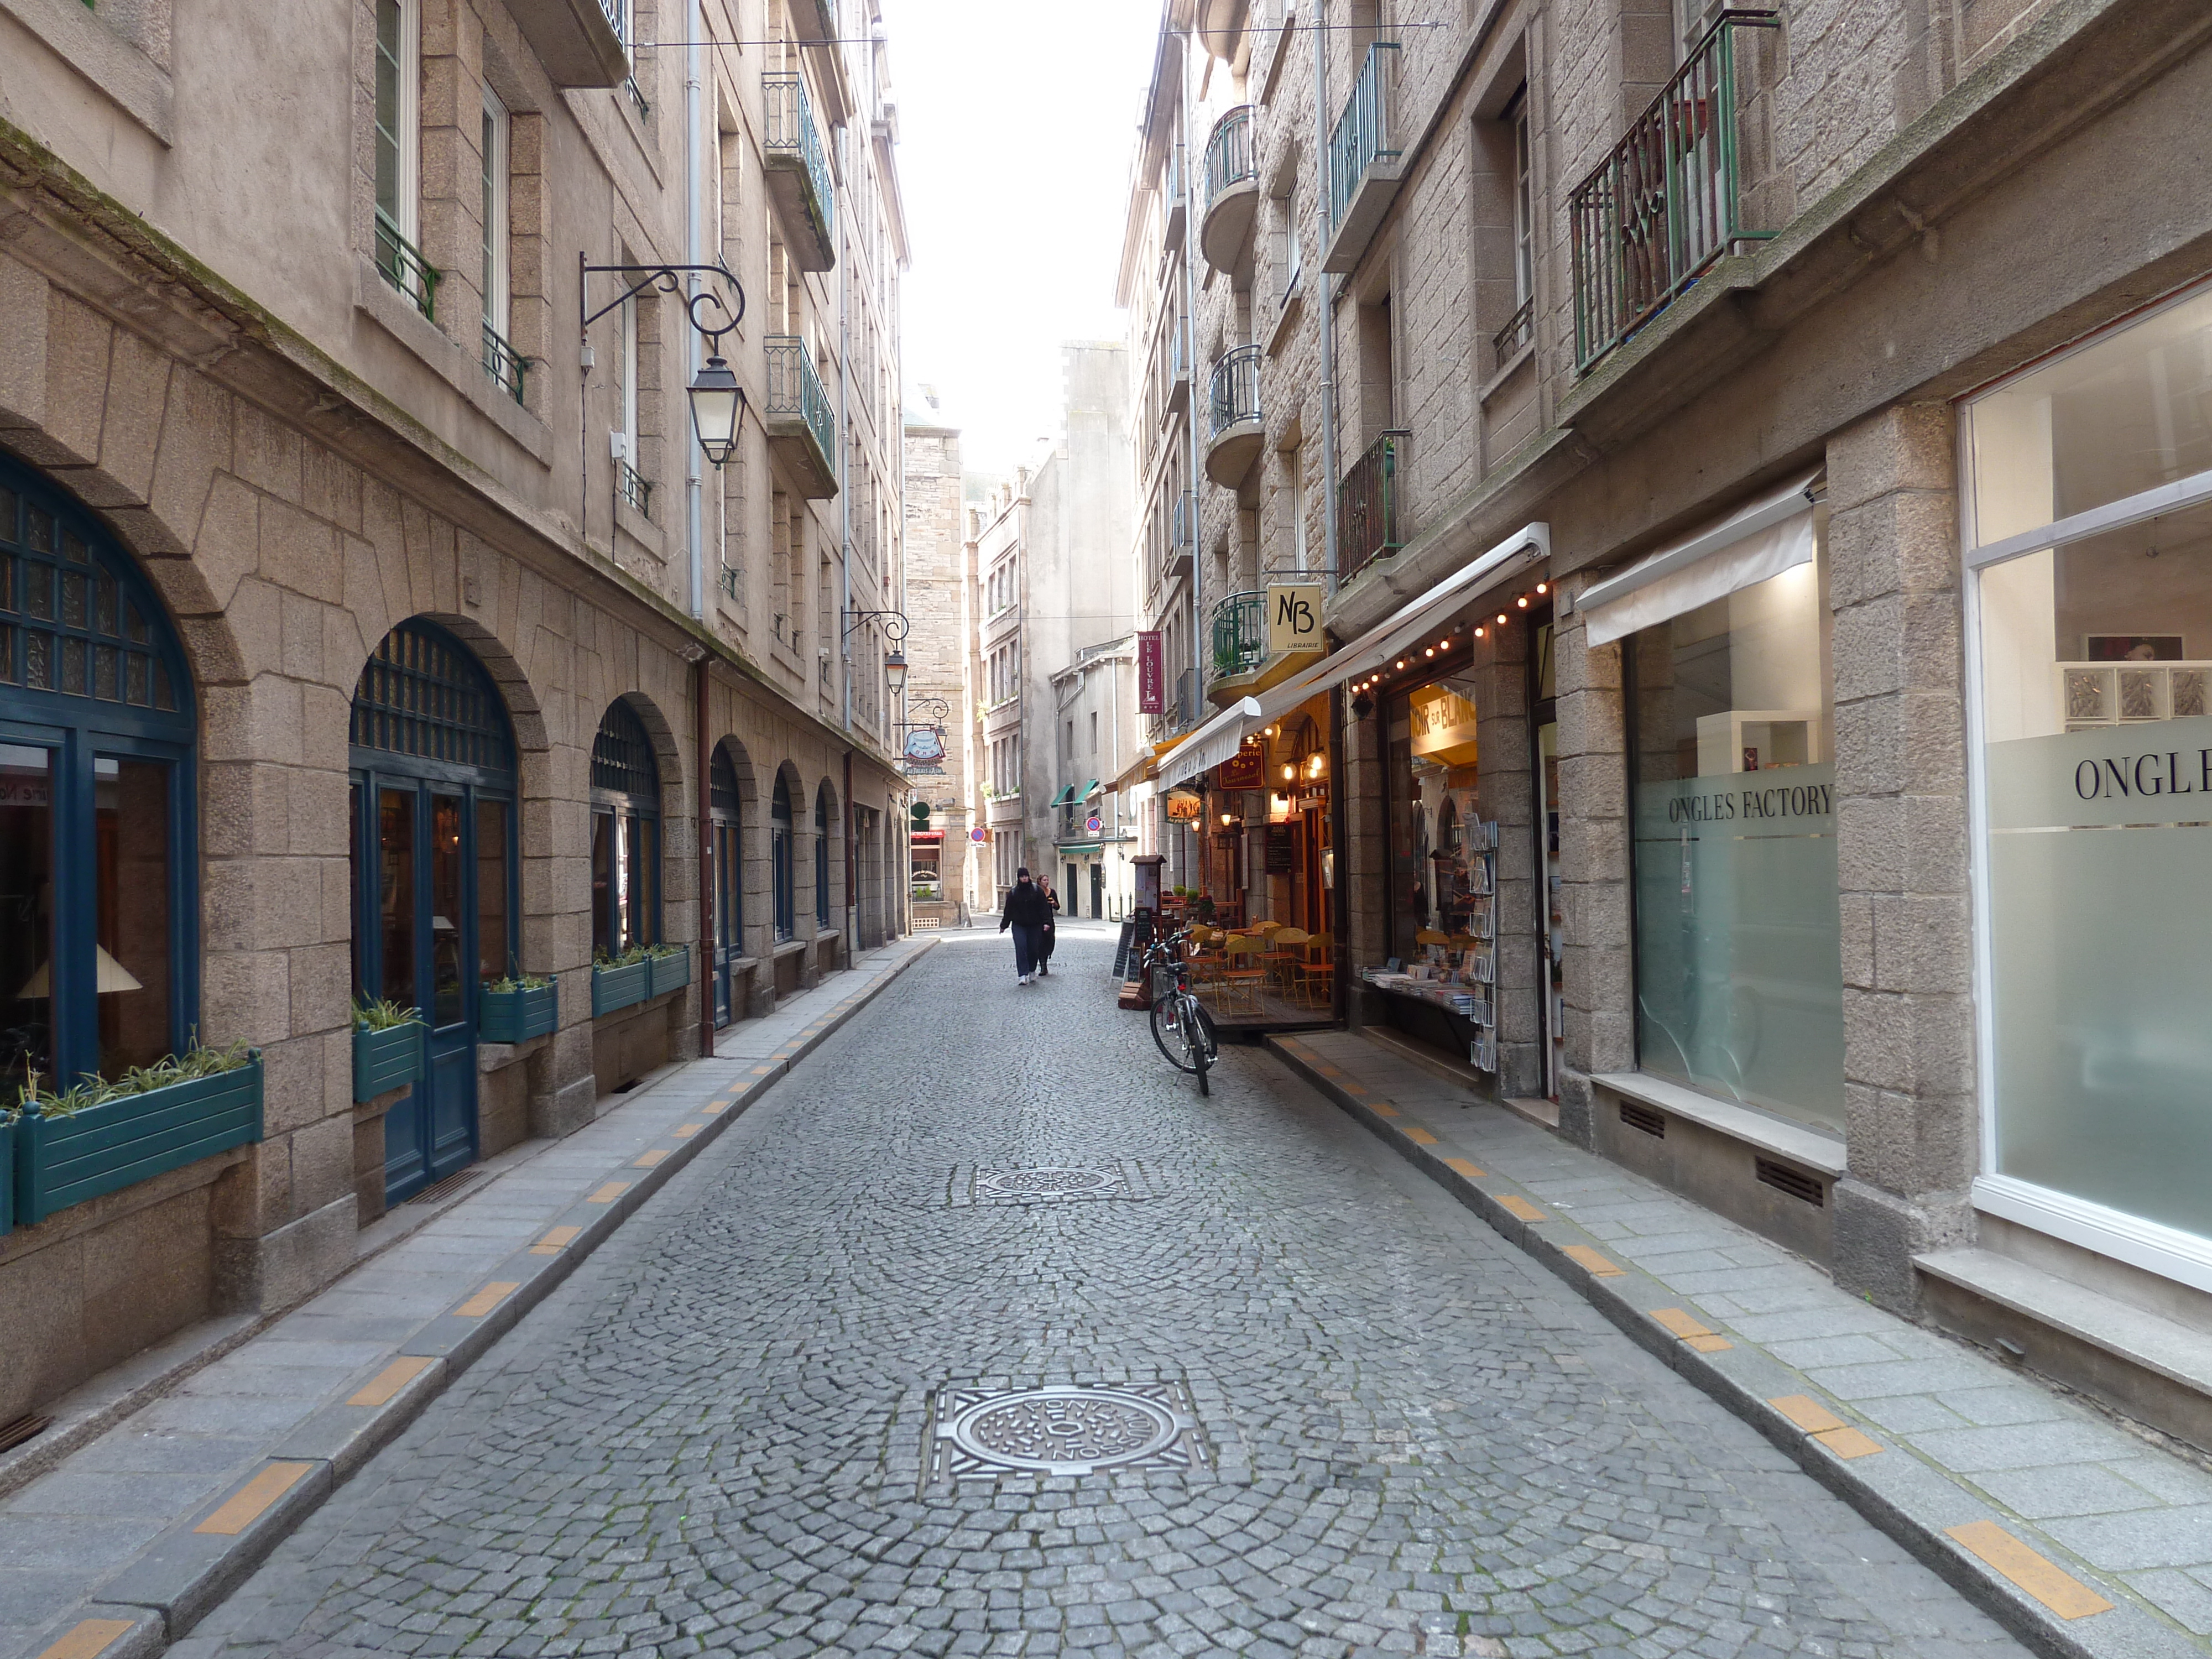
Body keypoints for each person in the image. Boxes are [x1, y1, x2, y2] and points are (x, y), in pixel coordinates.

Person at [999, 867, 1052, 985]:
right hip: (1019, 925)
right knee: (1021, 947)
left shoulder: (1036, 891)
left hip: (1035, 925)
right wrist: (1004, 925)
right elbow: (1008, 910)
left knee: (1033, 949)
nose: (1024, 879)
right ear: (1019, 878)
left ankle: (1032, 970)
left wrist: (1046, 922)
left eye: (1026, 876)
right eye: (1022, 877)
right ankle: (1022, 974)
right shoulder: (1013, 893)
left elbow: (1044, 908)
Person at [1036, 878, 1061, 976]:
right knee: (1040, 943)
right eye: (1044, 880)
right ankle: (1043, 966)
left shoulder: (1052, 892)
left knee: (1050, 941)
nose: (1047, 882)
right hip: (1038, 921)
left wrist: (1054, 903)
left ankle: (1047, 956)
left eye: (1047, 880)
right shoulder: (1037, 892)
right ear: (1040, 882)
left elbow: (1058, 907)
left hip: (1050, 920)